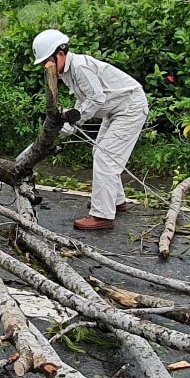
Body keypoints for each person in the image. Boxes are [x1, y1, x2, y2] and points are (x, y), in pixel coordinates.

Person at [31, 29, 149, 232]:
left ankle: (102, 216)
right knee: (100, 153)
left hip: (130, 108)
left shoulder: (80, 67)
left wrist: (77, 117)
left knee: (106, 158)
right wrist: (69, 125)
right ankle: (116, 201)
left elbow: (96, 98)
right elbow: (84, 99)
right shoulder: (68, 71)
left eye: (47, 60)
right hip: (115, 110)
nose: (46, 66)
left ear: (60, 53)